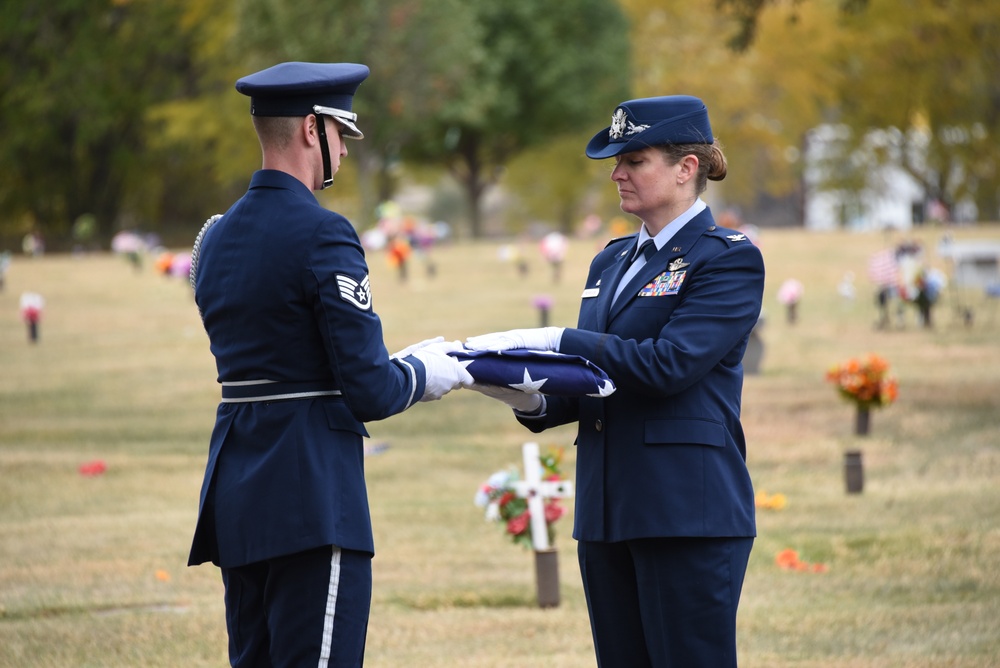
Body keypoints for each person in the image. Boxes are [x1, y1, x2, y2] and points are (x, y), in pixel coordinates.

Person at [187, 61, 472, 668]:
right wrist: (431, 369)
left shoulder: (213, 238)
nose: (342, 150)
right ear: (314, 131)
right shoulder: (323, 233)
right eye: (342, 133)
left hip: (239, 489)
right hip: (309, 492)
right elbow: (369, 387)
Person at [465, 95, 765, 667]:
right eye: (616, 160)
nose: (617, 172)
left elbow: (669, 364)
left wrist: (560, 340)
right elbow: (595, 380)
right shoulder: (612, 261)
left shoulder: (725, 259)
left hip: (685, 512)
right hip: (609, 509)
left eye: (635, 159)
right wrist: (519, 390)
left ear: (687, 167)